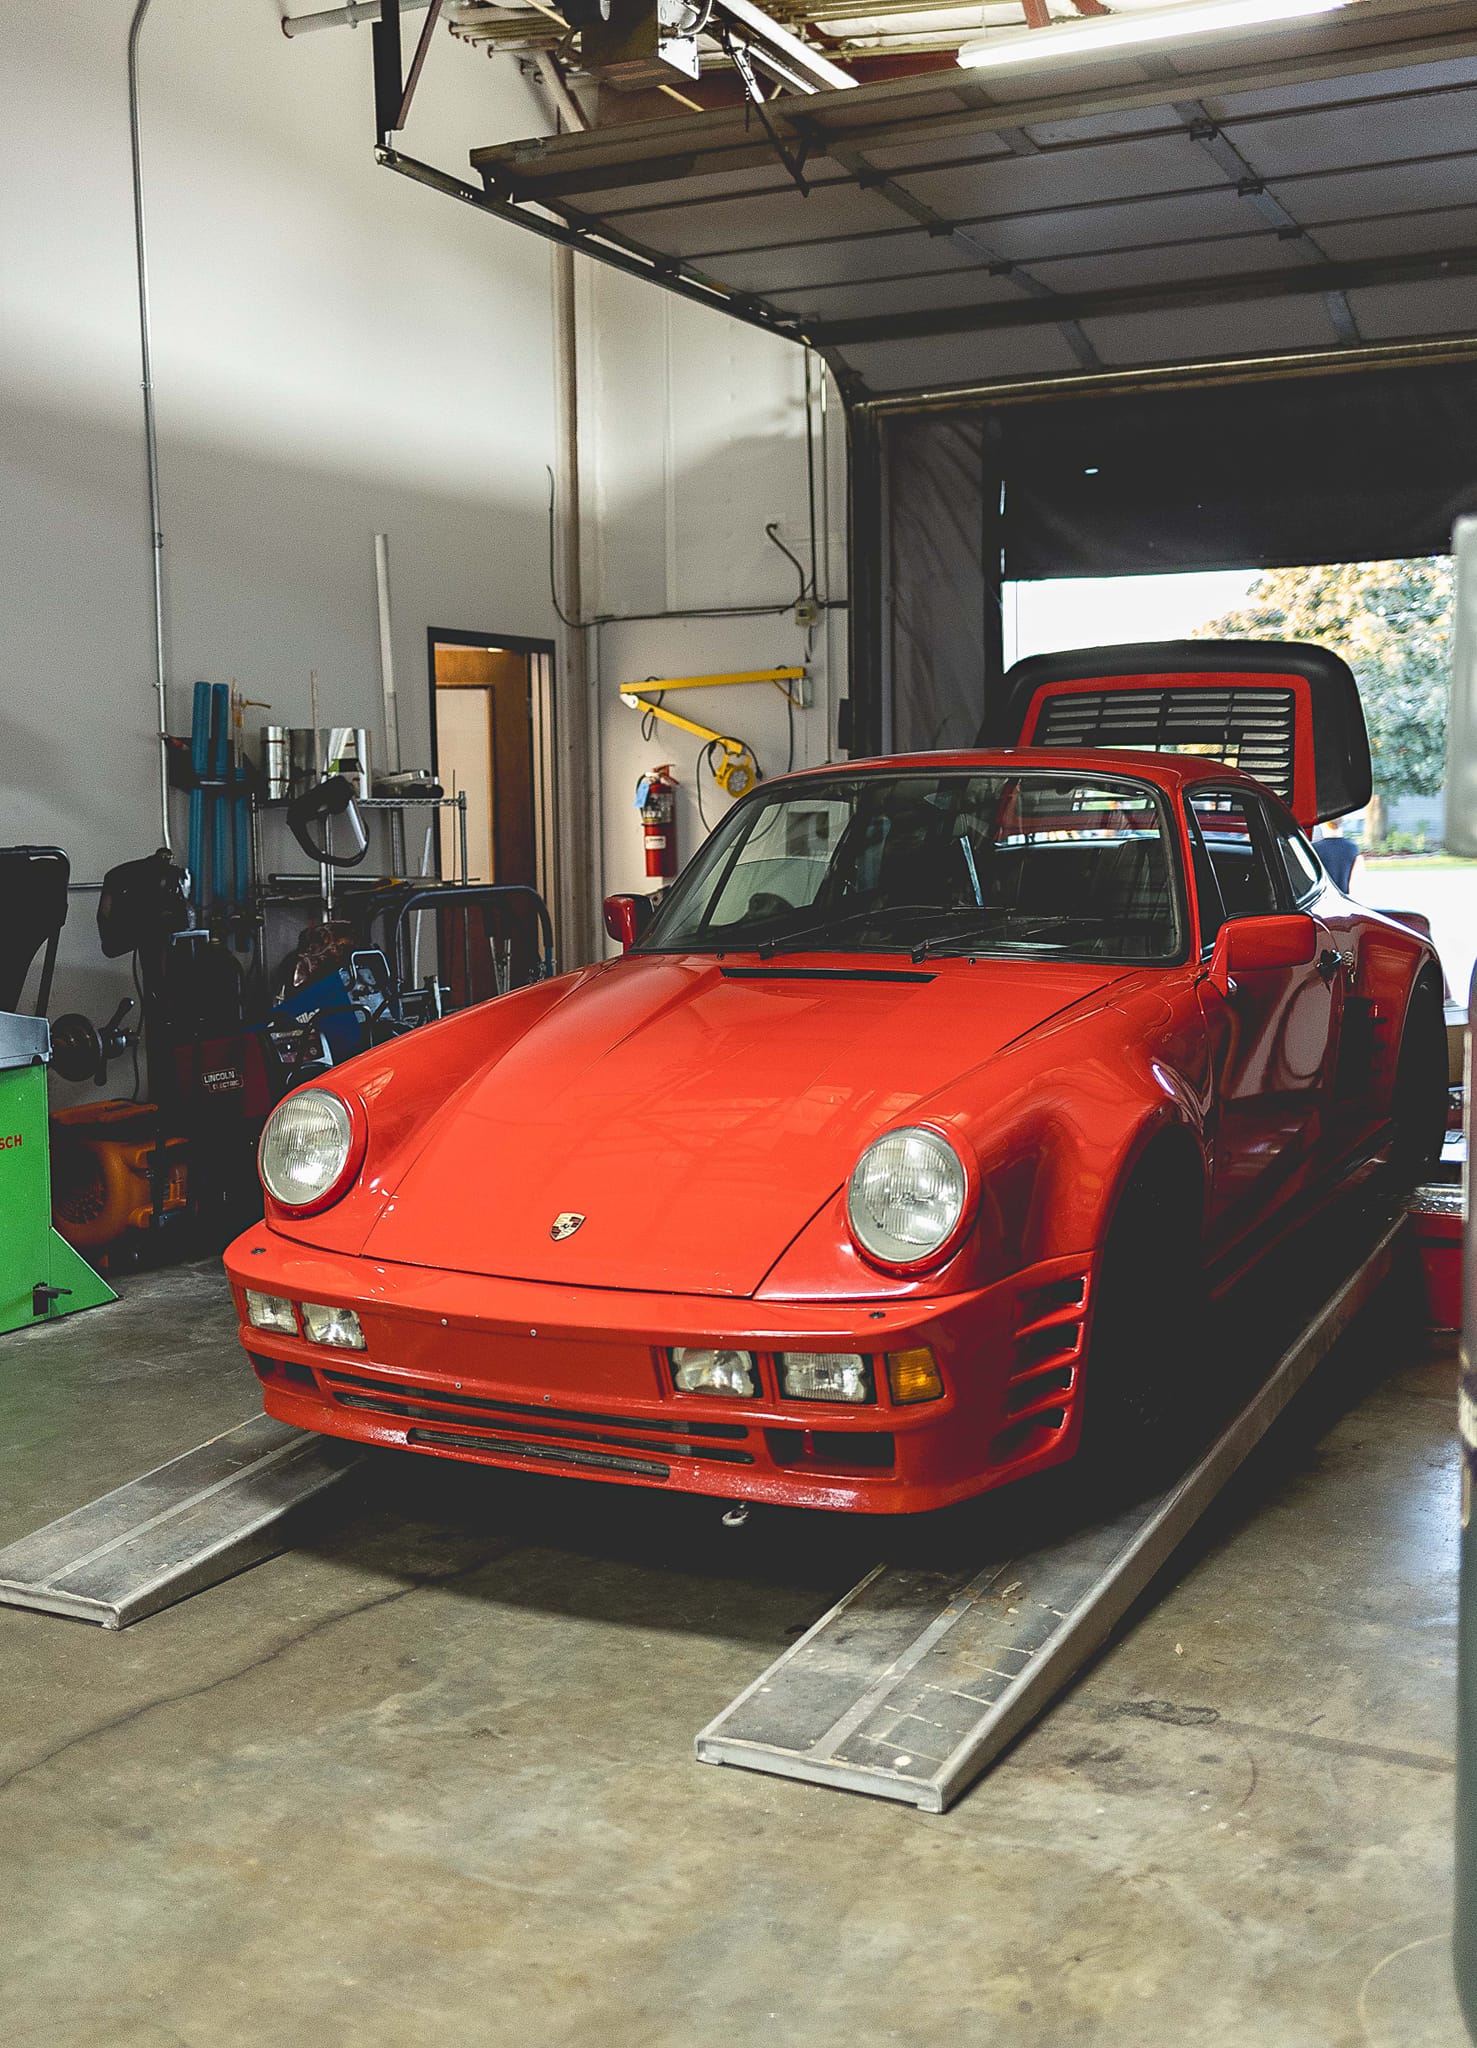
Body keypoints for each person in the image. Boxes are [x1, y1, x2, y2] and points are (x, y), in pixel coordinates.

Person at [1316, 816, 1362, 895]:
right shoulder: (1352, 848)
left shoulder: (1314, 848)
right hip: (1343, 899)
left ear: (1323, 825)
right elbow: (1356, 883)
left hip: (1322, 899)